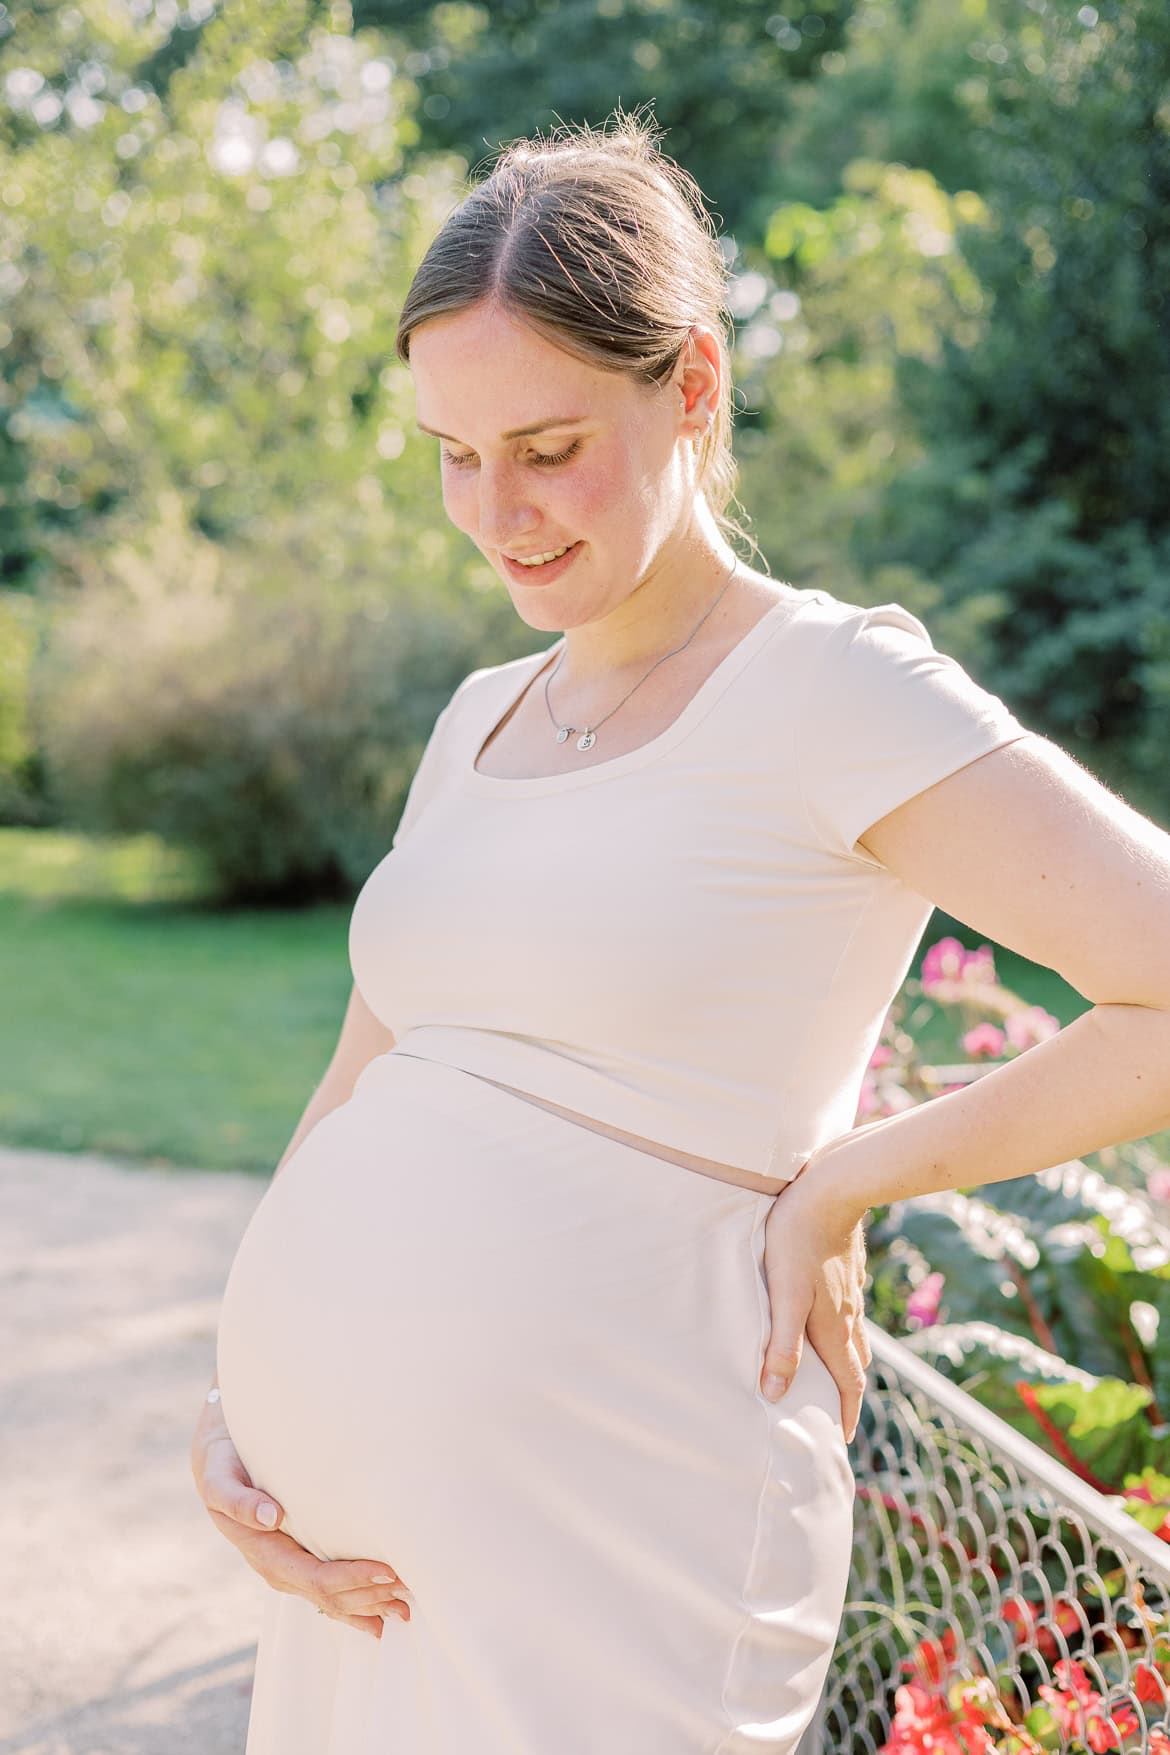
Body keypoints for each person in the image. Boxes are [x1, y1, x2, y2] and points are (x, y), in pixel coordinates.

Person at [191, 112, 1170, 1755]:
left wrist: (854, 1175)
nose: (494, 509)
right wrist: (248, 1397)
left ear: (692, 386)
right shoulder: (479, 716)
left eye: (548, 446)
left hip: (625, 1525)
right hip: (353, 1563)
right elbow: (370, 1076)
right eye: (450, 450)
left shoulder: (831, 688)